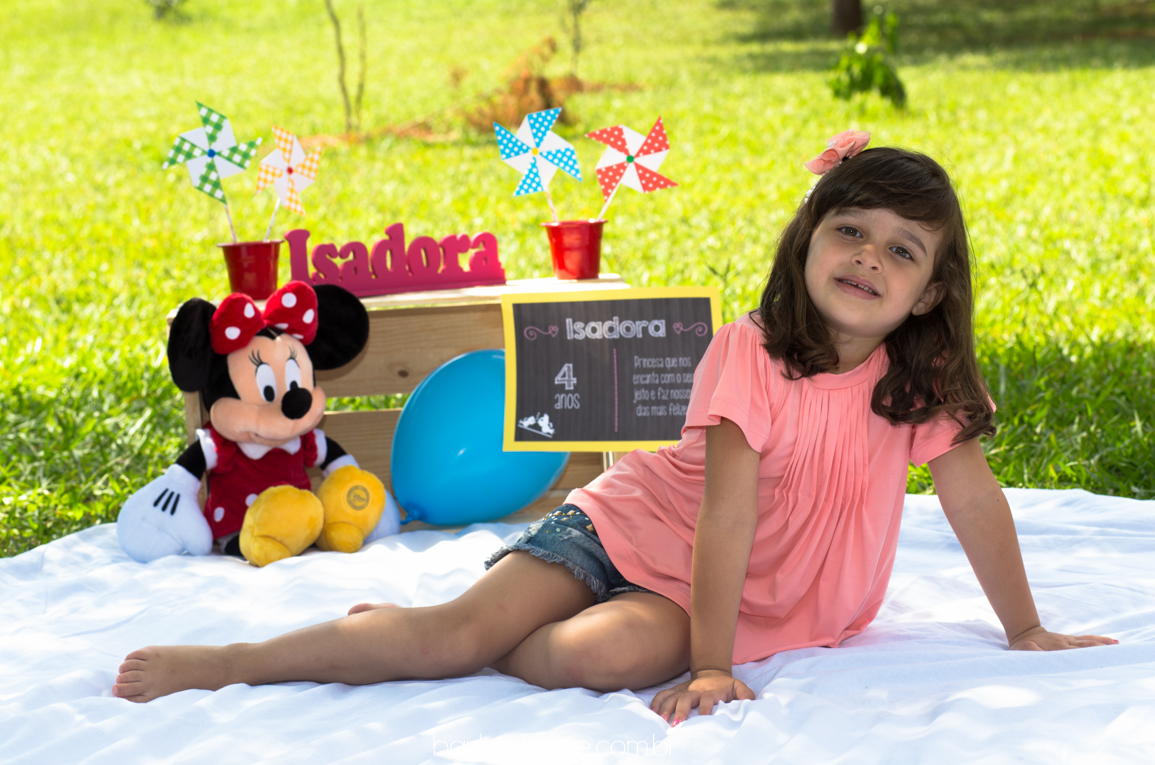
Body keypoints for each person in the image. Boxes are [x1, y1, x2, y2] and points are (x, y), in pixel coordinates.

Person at [114, 133, 1117, 720]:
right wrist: (717, 669)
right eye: (848, 230)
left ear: (932, 286)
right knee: (455, 632)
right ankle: (233, 657)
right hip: (628, 531)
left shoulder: (920, 377)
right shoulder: (752, 350)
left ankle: (457, 641)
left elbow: (972, 494)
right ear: (808, 237)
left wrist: (1022, 624)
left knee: (597, 657)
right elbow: (722, 519)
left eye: (900, 250)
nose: (866, 257)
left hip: (722, 597)